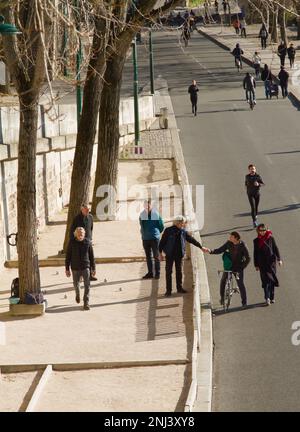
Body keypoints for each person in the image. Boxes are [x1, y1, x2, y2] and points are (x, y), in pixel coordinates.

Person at [159, 216, 209, 297]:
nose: (184, 224)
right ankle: (168, 291)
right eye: (183, 223)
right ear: (178, 223)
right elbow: (162, 242)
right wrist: (160, 253)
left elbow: (191, 239)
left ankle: (179, 288)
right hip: (169, 255)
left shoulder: (182, 231)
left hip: (179, 255)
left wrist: (200, 247)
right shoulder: (168, 231)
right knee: (168, 272)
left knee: (179, 272)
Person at [208, 232, 250, 307]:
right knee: (223, 281)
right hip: (229, 266)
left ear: (236, 238)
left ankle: (244, 302)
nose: (229, 238)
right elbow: (220, 250)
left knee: (240, 284)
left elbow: (248, 258)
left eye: (231, 237)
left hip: (238, 267)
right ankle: (222, 298)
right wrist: (210, 251)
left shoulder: (243, 245)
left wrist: (242, 267)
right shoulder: (228, 243)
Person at [65, 227, 96, 310]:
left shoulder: (88, 242)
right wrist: (67, 269)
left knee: (87, 285)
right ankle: (77, 294)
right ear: (76, 234)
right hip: (75, 268)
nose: (80, 235)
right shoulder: (72, 242)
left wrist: (93, 268)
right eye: (79, 233)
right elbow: (68, 256)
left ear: (84, 234)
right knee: (76, 284)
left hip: (86, 267)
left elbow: (92, 256)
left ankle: (86, 302)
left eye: (82, 233)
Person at [254, 224, 282, 306]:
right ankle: (267, 298)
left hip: (271, 263)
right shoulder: (256, 241)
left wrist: (279, 259)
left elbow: (275, 249)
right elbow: (255, 253)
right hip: (262, 264)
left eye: (264, 230)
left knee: (272, 280)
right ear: (258, 231)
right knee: (265, 281)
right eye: (260, 230)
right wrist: (256, 264)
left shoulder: (271, 238)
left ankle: (272, 297)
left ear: (266, 230)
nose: (262, 232)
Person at [70, 203, 97, 281]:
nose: (88, 211)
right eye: (86, 210)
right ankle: (80, 276)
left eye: (89, 209)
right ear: (82, 210)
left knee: (90, 258)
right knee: (81, 259)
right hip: (79, 242)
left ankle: (90, 274)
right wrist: (74, 241)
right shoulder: (77, 219)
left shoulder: (91, 217)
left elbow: (91, 228)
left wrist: (90, 238)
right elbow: (72, 231)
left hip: (88, 241)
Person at [139, 200, 164, 280]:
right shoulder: (142, 214)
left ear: (151, 206)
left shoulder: (155, 214)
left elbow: (161, 226)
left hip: (154, 239)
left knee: (156, 256)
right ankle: (150, 273)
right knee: (148, 257)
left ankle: (157, 273)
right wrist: (144, 234)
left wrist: (156, 233)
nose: (147, 207)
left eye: (148, 206)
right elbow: (142, 225)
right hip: (145, 238)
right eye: (145, 206)